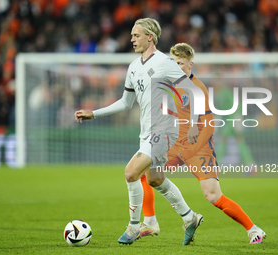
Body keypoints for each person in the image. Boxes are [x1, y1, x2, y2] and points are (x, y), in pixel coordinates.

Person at [75, 18, 204, 245]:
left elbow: (194, 92)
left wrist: (193, 123)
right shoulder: (134, 67)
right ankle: (189, 217)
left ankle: (134, 226)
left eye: (136, 35)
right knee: (154, 179)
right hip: (147, 131)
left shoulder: (164, 62)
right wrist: (94, 113)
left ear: (150, 37)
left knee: (130, 173)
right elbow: (126, 102)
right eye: (132, 35)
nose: (132, 39)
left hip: (164, 129)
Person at [140, 42, 266, 244]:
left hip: (199, 149)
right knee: (145, 174)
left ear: (191, 64)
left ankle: (253, 229)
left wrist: (193, 148)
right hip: (175, 145)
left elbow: (208, 126)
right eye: (173, 62)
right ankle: (152, 222)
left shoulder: (197, 88)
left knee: (213, 196)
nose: (176, 67)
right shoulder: (169, 84)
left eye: (181, 63)